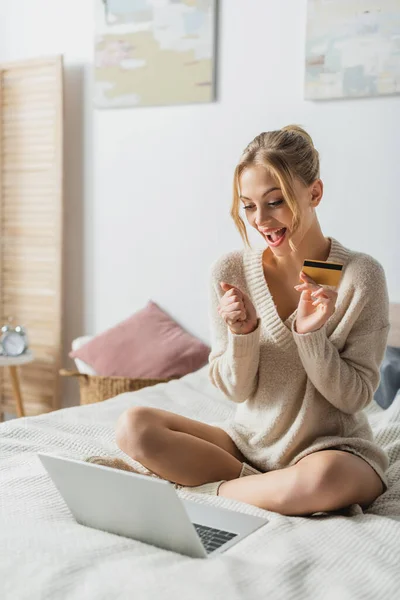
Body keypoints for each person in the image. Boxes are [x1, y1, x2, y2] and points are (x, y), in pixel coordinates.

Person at [111, 125, 390, 516]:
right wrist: (242, 335)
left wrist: (311, 336)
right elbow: (235, 390)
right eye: (248, 206)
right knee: (133, 426)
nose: (261, 219)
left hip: (330, 450)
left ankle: (201, 493)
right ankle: (260, 488)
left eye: (275, 201)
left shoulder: (359, 275)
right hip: (248, 443)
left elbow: (355, 397)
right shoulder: (231, 270)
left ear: (315, 193)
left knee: (323, 479)